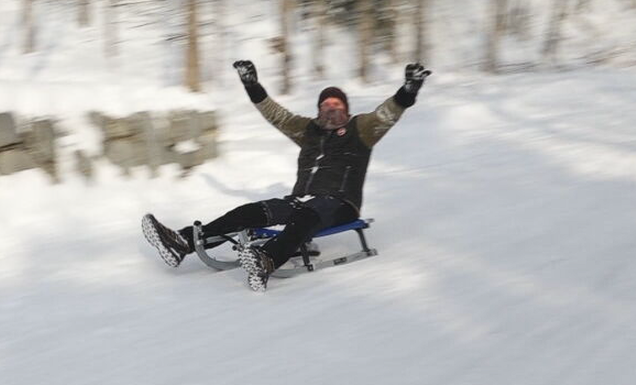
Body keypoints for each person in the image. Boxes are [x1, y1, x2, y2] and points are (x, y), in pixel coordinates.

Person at [142, 60, 431, 291]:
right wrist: (252, 85)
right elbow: (275, 114)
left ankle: (267, 261)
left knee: (305, 216)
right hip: (300, 199)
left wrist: (409, 89)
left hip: (340, 202)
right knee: (249, 212)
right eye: (326, 105)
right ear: (318, 110)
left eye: (337, 105)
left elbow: (386, 114)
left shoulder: (361, 129)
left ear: (346, 110)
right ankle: (183, 242)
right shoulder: (307, 130)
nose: (331, 109)